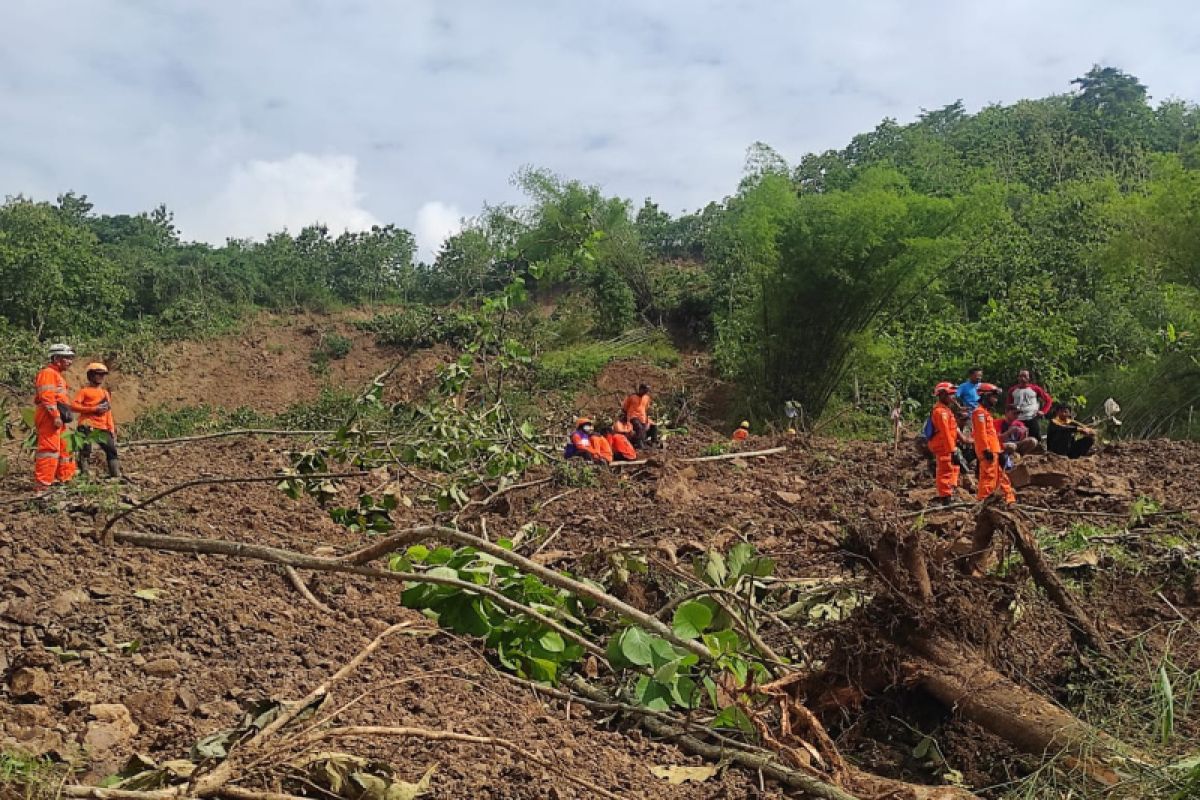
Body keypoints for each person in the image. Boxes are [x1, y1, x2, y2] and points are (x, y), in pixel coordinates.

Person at [32, 343, 103, 490]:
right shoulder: (48, 373)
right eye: (67, 358)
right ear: (57, 358)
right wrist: (55, 416)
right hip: (49, 417)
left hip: (56, 417)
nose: (70, 362)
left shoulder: (56, 375)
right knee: (49, 449)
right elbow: (47, 397)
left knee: (65, 447)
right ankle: (43, 484)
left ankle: (65, 477)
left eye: (71, 358)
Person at [74, 363, 121, 479]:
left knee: (111, 450)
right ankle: (85, 475)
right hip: (86, 425)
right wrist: (92, 409)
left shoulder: (105, 393)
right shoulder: (84, 392)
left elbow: (108, 412)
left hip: (102, 427)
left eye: (102, 375)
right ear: (91, 375)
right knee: (85, 451)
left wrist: (111, 428)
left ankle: (115, 475)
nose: (101, 377)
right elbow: (74, 406)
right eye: (98, 374)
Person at [971, 384, 1016, 504]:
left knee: (1001, 478)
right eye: (993, 397)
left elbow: (992, 435)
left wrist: (1000, 451)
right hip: (988, 452)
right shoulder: (979, 413)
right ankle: (984, 504)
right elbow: (980, 434)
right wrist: (985, 450)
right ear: (985, 396)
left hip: (994, 450)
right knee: (988, 479)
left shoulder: (985, 413)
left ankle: (1009, 501)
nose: (995, 400)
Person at [929, 382, 961, 505]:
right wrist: (951, 449)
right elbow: (945, 432)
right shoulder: (940, 412)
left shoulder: (945, 410)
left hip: (948, 445)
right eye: (950, 395)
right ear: (942, 395)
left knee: (953, 468)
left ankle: (950, 492)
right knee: (945, 470)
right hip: (944, 446)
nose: (953, 397)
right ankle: (946, 497)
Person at [1004, 370, 1054, 441]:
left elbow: (1048, 400)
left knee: (1036, 439)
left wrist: (1043, 411)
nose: (1022, 378)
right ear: (1018, 378)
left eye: (1025, 376)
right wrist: (1008, 416)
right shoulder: (1012, 390)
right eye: (1020, 376)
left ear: (1029, 378)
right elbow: (1008, 405)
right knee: (1017, 439)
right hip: (1017, 419)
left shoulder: (1035, 388)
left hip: (1032, 417)